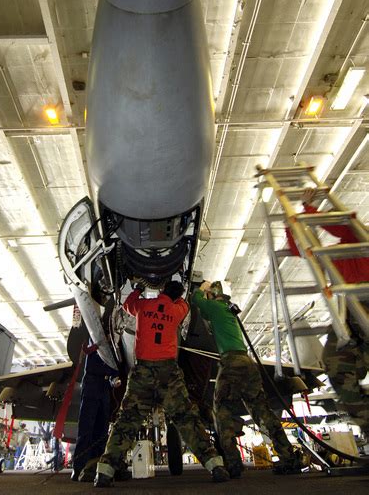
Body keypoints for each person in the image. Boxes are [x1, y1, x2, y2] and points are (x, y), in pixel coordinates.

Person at [94, 280, 229, 487]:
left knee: (127, 420)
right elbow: (187, 304)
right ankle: (215, 466)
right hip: (169, 374)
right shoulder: (177, 310)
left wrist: (138, 289)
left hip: (143, 372)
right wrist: (196, 289)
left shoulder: (144, 306)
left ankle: (104, 472)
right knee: (186, 419)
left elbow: (128, 305)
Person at [192, 281, 302, 478]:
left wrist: (200, 288)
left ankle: (233, 464)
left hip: (231, 363)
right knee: (263, 413)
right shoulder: (227, 309)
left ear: (214, 294)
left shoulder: (216, 307)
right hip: (248, 363)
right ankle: (288, 458)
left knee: (221, 413)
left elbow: (196, 300)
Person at [285, 188, 369, 437]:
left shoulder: (360, 236)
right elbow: (300, 251)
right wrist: (292, 224)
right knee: (336, 366)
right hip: (352, 314)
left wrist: (308, 208)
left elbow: (344, 225)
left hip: (361, 307)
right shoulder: (336, 256)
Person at [72, 342, 121, 482]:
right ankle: (79, 469)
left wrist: (114, 379)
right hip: (92, 385)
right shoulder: (95, 336)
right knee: (86, 428)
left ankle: (95, 468)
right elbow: (86, 349)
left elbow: (113, 366)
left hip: (104, 387)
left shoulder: (113, 344)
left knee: (102, 431)